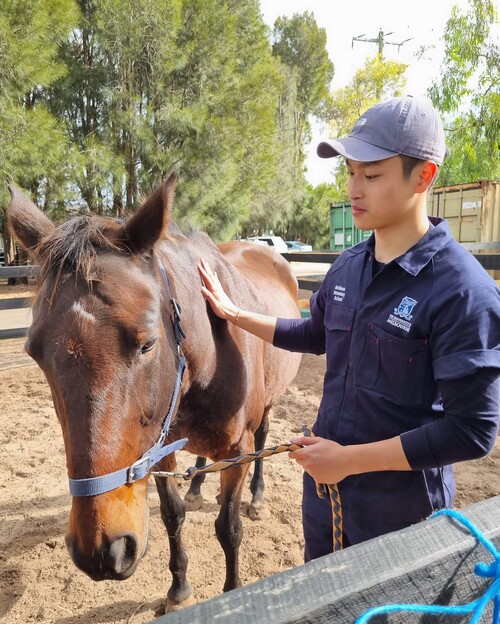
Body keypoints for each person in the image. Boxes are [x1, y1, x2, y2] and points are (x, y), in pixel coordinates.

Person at [198, 95, 500, 561]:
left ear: (424, 176)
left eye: (372, 175)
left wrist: (348, 461)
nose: (354, 189)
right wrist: (235, 314)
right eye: (351, 173)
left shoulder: (463, 292)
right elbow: (313, 334)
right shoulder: (348, 268)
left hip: (401, 518)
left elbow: (473, 431)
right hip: (324, 499)